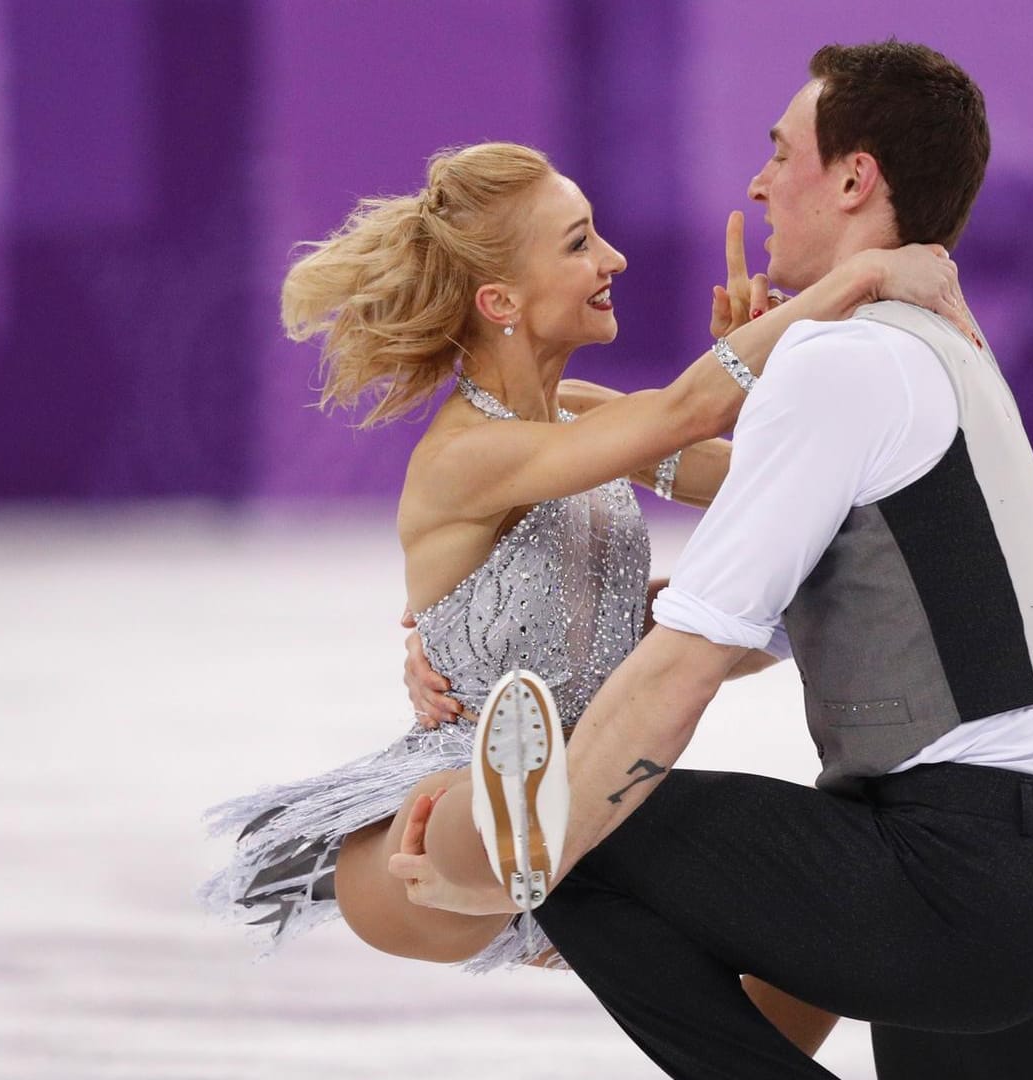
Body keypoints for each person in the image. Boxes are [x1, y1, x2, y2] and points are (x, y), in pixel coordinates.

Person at [398, 44, 1033, 1080]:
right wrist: (471, 638)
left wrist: (512, 872)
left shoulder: (843, 358)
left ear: (856, 179)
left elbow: (683, 672)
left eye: (782, 155)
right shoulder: (929, 340)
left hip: (965, 876)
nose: (761, 183)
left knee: (574, 834)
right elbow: (781, 615)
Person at [199, 139, 967, 1055]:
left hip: (598, 801)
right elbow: (684, 411)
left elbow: (774, 481)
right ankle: (512, 819)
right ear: (501, 302)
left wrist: (780, 376)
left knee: (827, 953)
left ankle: (557, 843)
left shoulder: (586, 416)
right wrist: (850, 284)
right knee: (460, 821)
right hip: (424, 837)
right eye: (577, 244)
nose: (613, 259)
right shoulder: (466, 456)